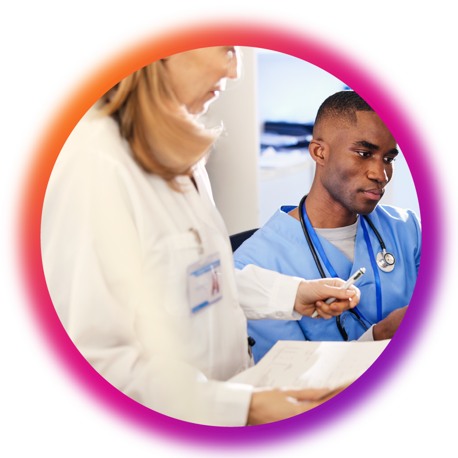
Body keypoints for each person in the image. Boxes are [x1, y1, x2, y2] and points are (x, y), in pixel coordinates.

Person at [41, 47, 361, 427]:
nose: (236, 69)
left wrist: (291, 293)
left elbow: (194, 281)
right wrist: (242, 408)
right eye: (226, 49)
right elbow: (91, 365)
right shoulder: (93, 163)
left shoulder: (177, 151)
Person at [234, 91, 421, 363]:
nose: (380, 175)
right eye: (363, 153)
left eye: (388, 159)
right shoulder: (252, 266)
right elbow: (290, 384)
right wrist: (379, 336)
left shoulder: (407, 229)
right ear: (319, 152)